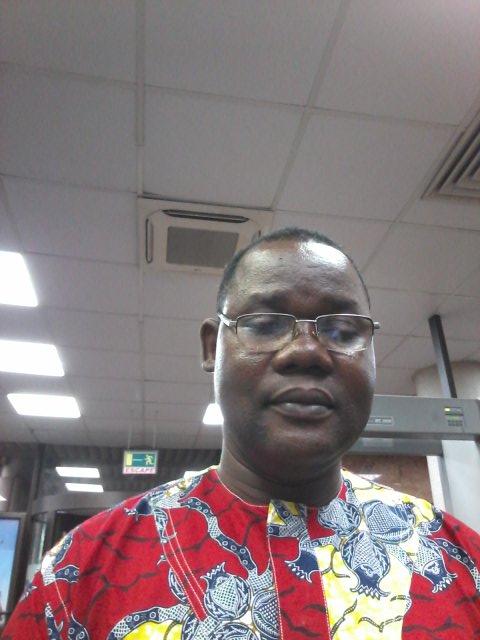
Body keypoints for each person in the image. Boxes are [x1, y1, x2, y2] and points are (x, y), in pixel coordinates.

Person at [3, 227, 480, 639]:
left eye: (341, 330)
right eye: (266, 324)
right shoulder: (81, 576)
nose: (307, 351)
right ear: (212, 347)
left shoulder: (460, 562)